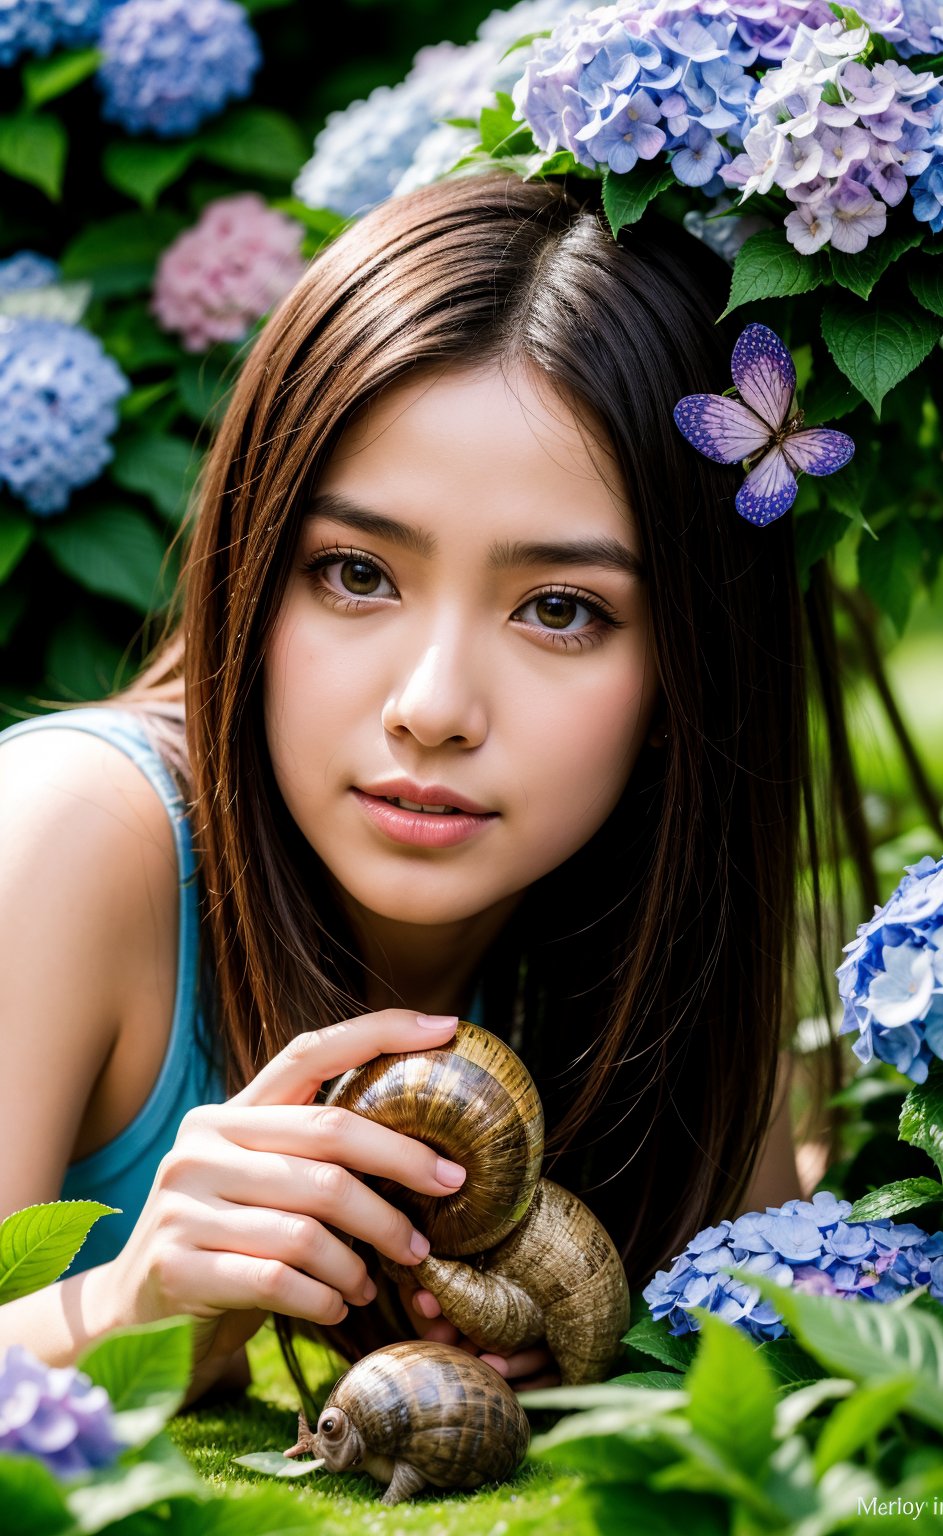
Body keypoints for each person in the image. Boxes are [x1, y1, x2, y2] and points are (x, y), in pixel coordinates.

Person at [0, 173, 869, 1404]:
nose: (433, 704)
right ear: (255, 569)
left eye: (560, 610)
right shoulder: (69, 836)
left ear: (690, 664)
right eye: (355, 573)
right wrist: (128, 1304)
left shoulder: (654, 933)